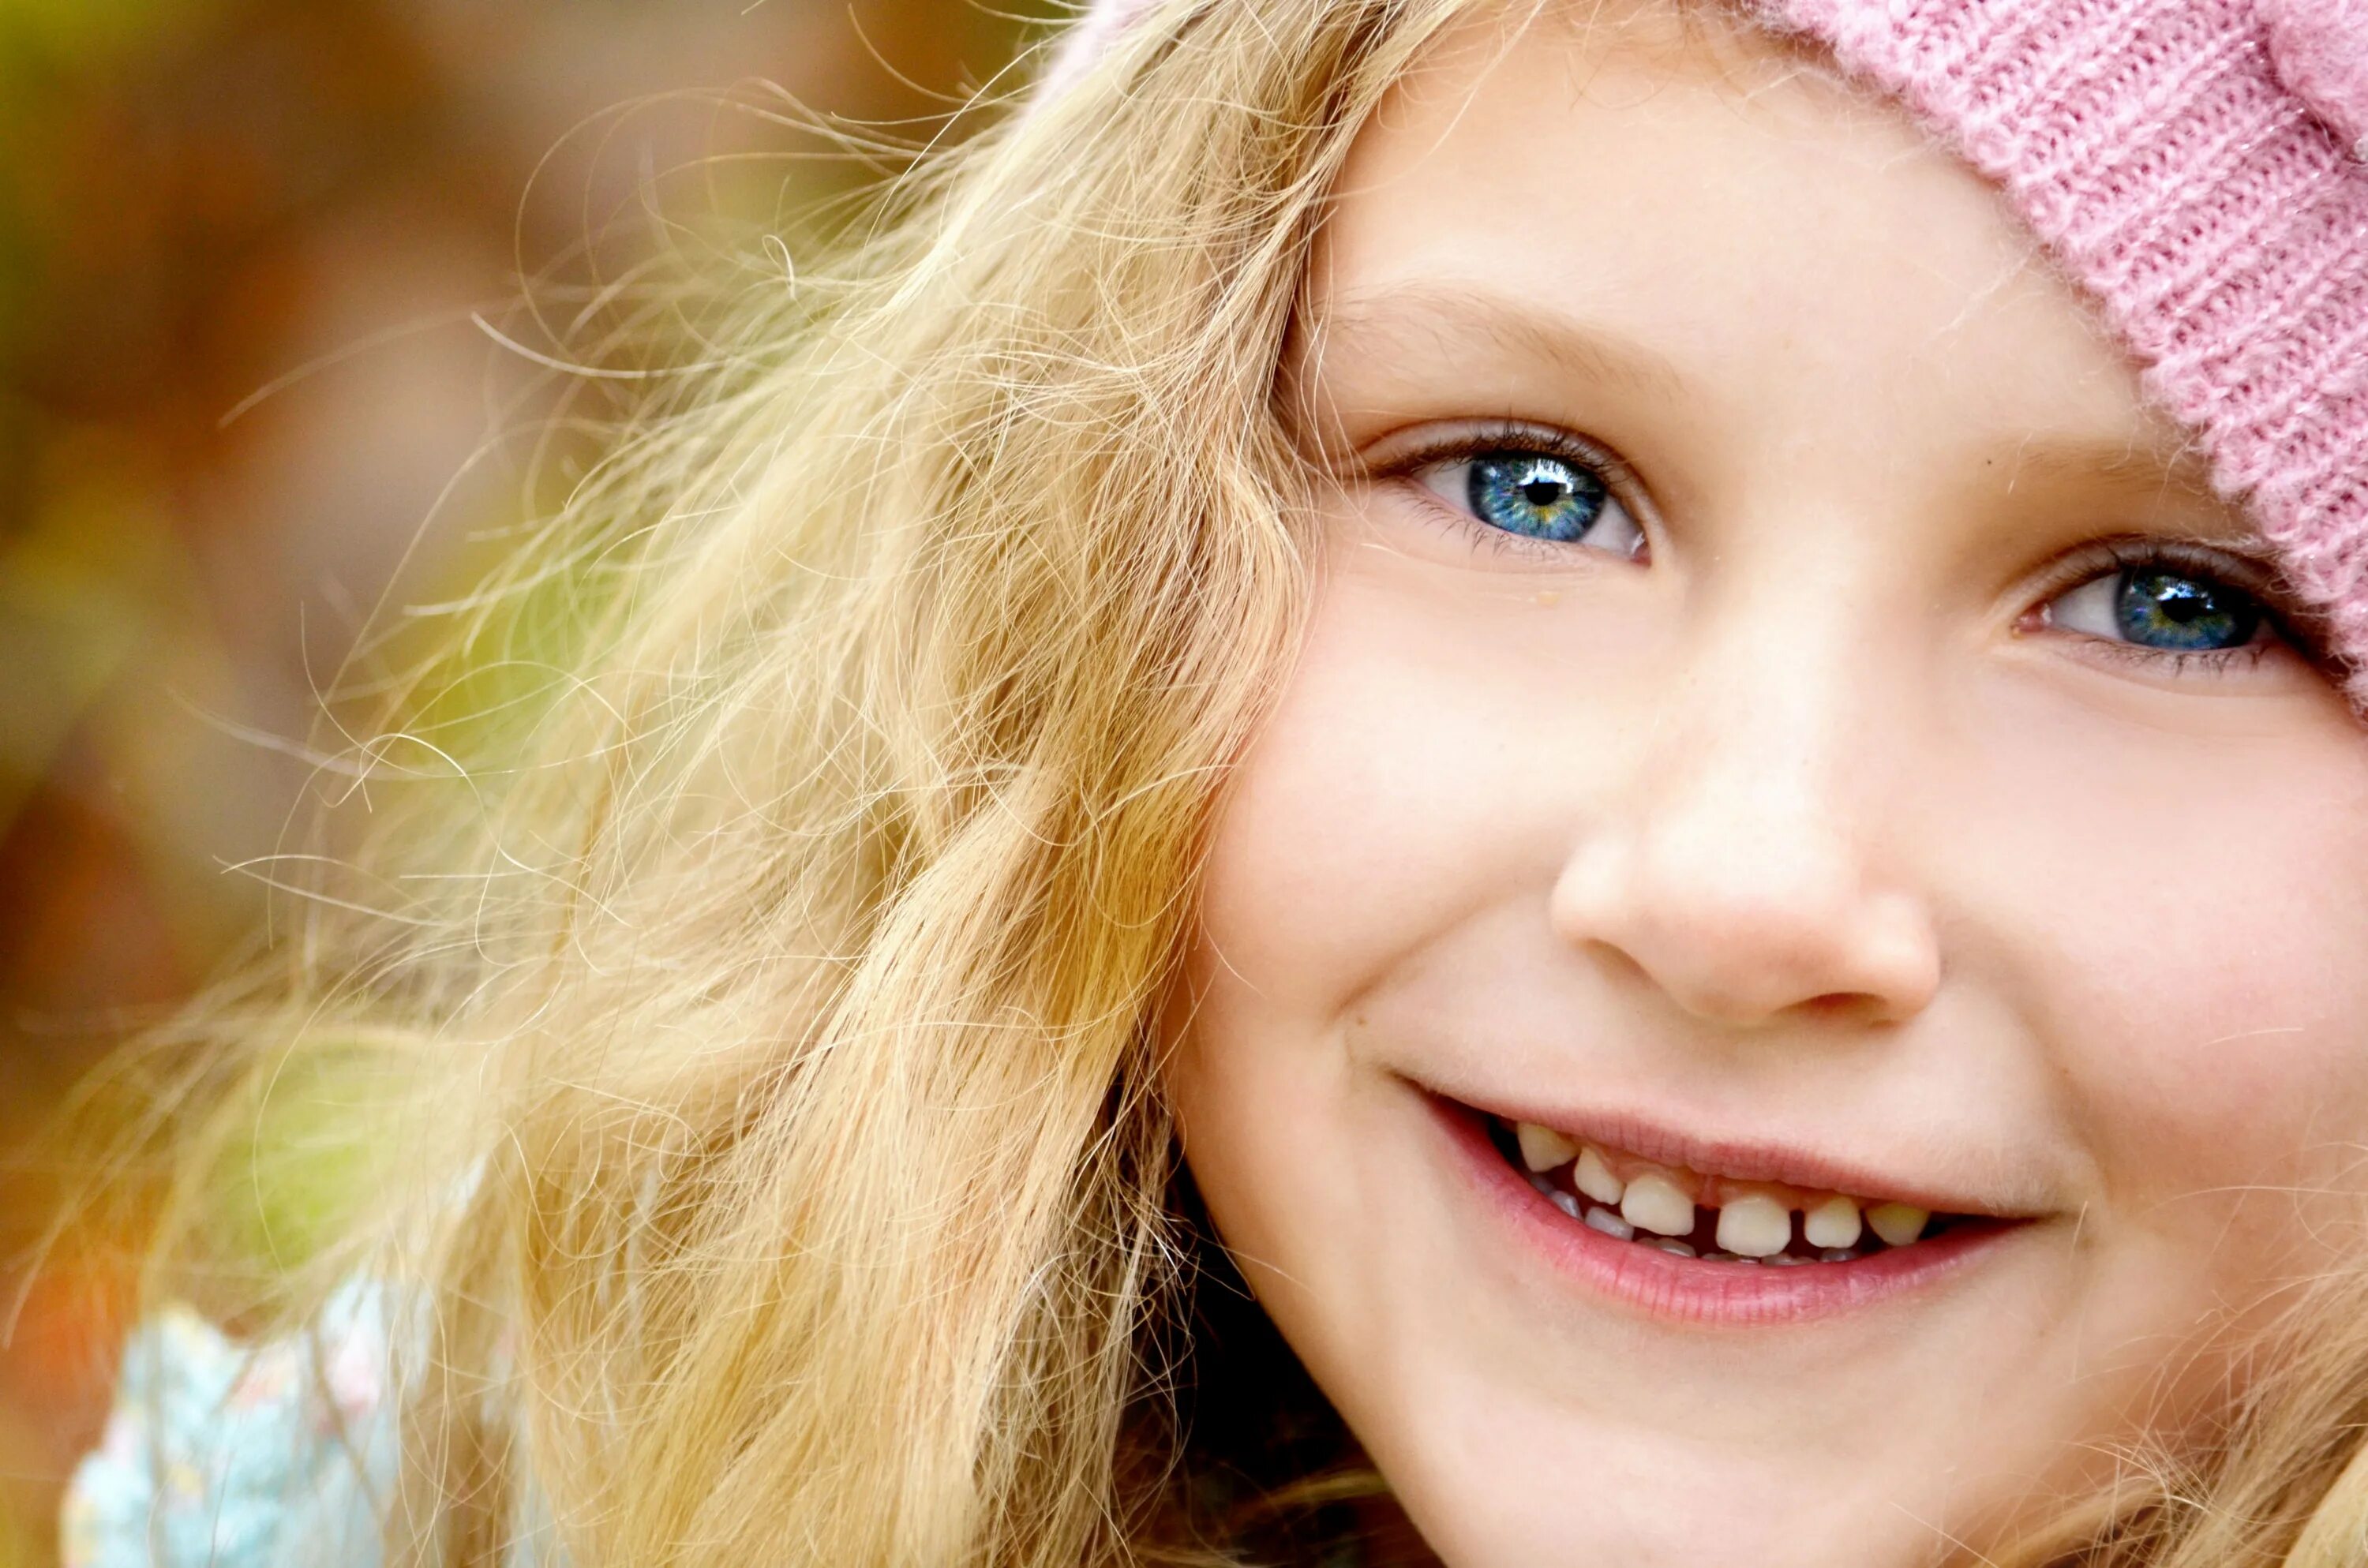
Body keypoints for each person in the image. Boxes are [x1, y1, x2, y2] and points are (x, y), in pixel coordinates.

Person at [58, 0, 2368, 1562]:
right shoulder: (548, 1483)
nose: (1741, 883)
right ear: (1081, 581)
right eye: (1529, 486)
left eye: (2178, 602)